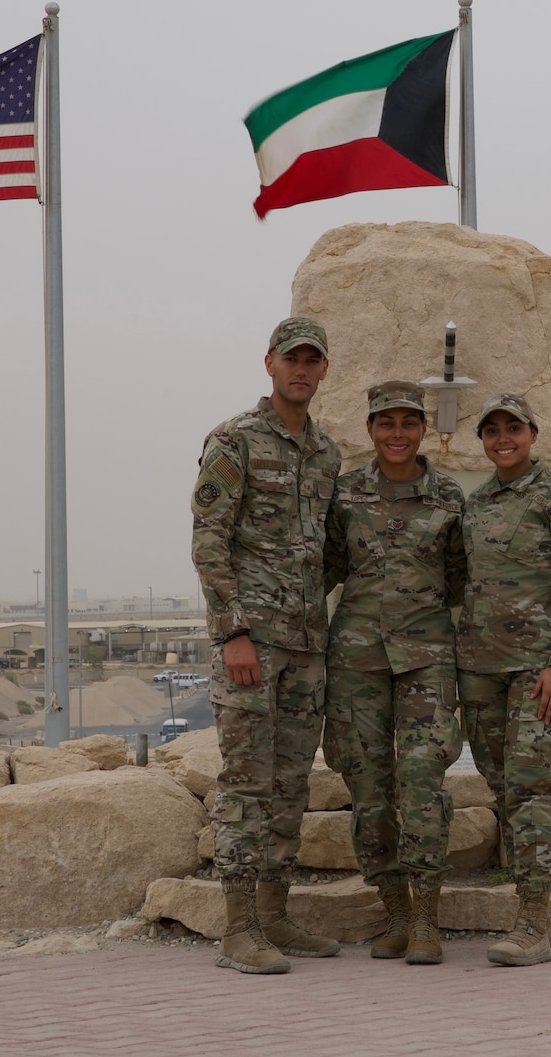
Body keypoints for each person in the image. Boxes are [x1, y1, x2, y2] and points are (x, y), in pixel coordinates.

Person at [190, 316, 343, 975]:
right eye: (291, 359)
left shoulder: (327, 453)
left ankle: (276, 915)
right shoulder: (235, 441)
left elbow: (329, 550)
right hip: (251, 645)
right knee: (247, 787)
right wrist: (234, 632)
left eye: (311, 360)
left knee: (288, 787)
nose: (300, 370)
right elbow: (208, 542)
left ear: (322, 370)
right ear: (269, 364)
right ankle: (239, 929)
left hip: (307, 645)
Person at [323, 381, 467, 965]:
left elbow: (461, 578)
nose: (398, 434)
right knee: (368, 791)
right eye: (387, 424)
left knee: (422, 786)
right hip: (355, 662)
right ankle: (396, 912)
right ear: (370, 430)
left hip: (427, 661)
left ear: (424, 430)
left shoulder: (449, 498)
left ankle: (428, 919)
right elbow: (328, 569)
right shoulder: (345, 496)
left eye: (409, 423)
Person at [457, 393, 551, 967]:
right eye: (491, 431)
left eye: (512, 428)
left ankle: (534, 922)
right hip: (480, 672)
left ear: (532, 434)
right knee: (504, 789)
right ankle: (539, 908)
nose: (502, 439)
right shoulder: (477, 504)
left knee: (527, 787)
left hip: (536, 674)